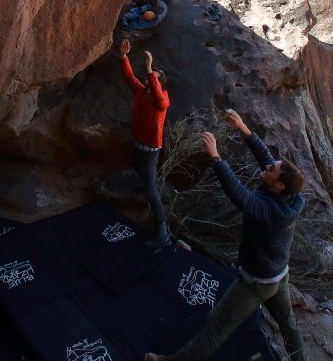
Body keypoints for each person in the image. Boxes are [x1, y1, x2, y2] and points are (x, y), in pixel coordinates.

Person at [145, 109, 306, 361]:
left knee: (218, 325)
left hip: (257, 281)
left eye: (272, 170)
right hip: (279, 274)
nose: (268, 165)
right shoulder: (293, 196)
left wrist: (216, 158)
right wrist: (243, 127)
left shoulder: (269, 211)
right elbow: (265, 156)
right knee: (288, 324)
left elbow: (239, 195)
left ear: (279, 185)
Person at [118, 38, 171, 250]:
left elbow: (158, 95)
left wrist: (150, 68)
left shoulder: (162, 100)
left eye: (155, 79)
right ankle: (145, 201)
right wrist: (123, 56)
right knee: (142, 176)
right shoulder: (141, 92)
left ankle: (163, 231)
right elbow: (129, 77)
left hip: (150, 150)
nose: (149, 80)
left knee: (150, 187)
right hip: (138, 144)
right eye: (150, 78)